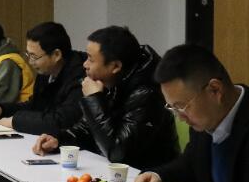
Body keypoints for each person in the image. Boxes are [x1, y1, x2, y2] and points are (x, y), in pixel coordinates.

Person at [32, 26, 179, 169]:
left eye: (91, 59)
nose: (85, 64)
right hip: (112, 170)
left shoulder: (147, 93)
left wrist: (94, 99)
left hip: (148, 176)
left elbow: (118, 152)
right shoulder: (112, 80)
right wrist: (59, 140)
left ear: (115, 66)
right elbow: (86, 130)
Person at [132, 45, 247, 182]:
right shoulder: (205, 117)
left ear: (215, 90)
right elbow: (191, 164)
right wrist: (157, 176)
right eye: (172, 108)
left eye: (181, 106)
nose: (180, 117)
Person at [0, 22, 85, 136]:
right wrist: (3, 110)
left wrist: (14, 121)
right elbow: (35, 106)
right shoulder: (46, 71)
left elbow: (61, 121)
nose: (30, 62)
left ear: (56, 55)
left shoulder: (80, 77)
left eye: (34, 56)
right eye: (28, 55)